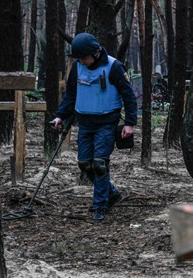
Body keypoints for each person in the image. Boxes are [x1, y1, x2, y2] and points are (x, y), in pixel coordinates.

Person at [52, 33, 137, 222]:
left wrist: (130, 123)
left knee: (100, 164)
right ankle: (111, 193)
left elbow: (129, 95)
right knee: (84, 164)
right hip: (85, 123)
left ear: (96, 53)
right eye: (79, 58)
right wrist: (60, 116)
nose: (82, 61)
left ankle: (100, 206)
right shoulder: (77, 67)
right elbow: (71, 94)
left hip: (107, 123)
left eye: (84, 57)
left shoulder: (114, 66)